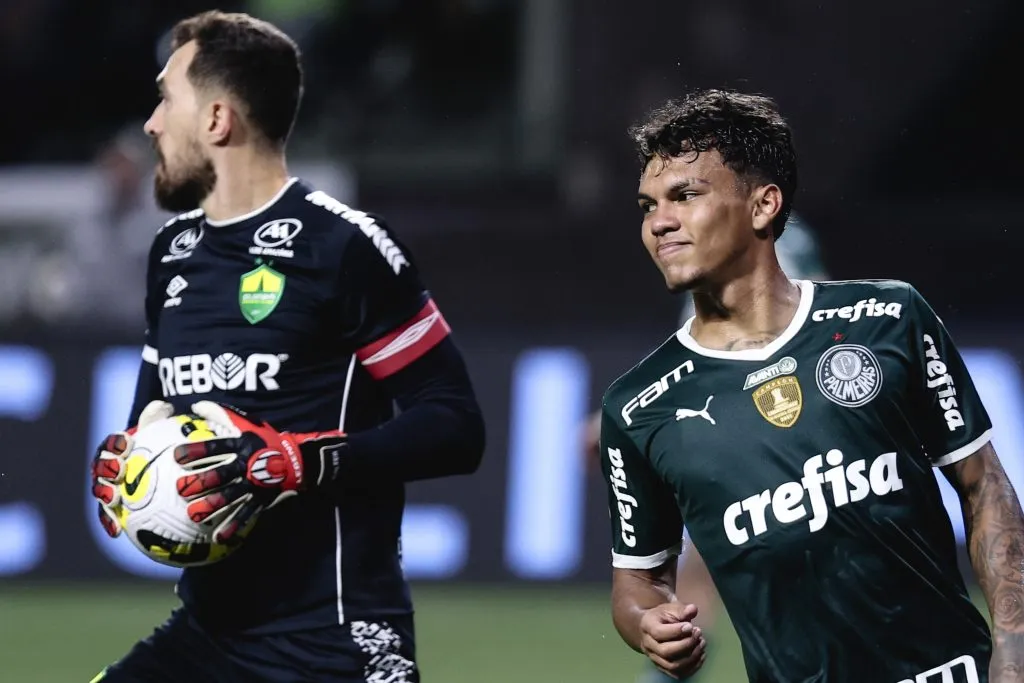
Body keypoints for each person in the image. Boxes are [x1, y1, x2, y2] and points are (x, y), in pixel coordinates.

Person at [88, 11, 485, 683]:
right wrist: (127, 466)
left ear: (217, 120)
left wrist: (301, 462)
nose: (152, 124)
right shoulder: (173, 253)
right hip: (204, 639)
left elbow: (455, 424)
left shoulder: (345, 246)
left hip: (332, 644)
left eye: (166, 99)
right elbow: (153, 414)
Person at [598, 88, 1024, 682]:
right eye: (648, 205)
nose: (659, 222)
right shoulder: (639, 407)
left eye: (685, 196)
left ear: (763, 205)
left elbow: (985, 490)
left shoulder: (889, 319)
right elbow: (638, 581)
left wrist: (1013, 651)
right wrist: (645, 622)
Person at [582, 212, 829, 683]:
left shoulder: (777, 242)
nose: (663, 219)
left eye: (689, 192)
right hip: (749, 428)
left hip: (772, 425)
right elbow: (698, 357)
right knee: (711, 558)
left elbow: (807, 310)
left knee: (724, 554)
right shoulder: (701, 253)